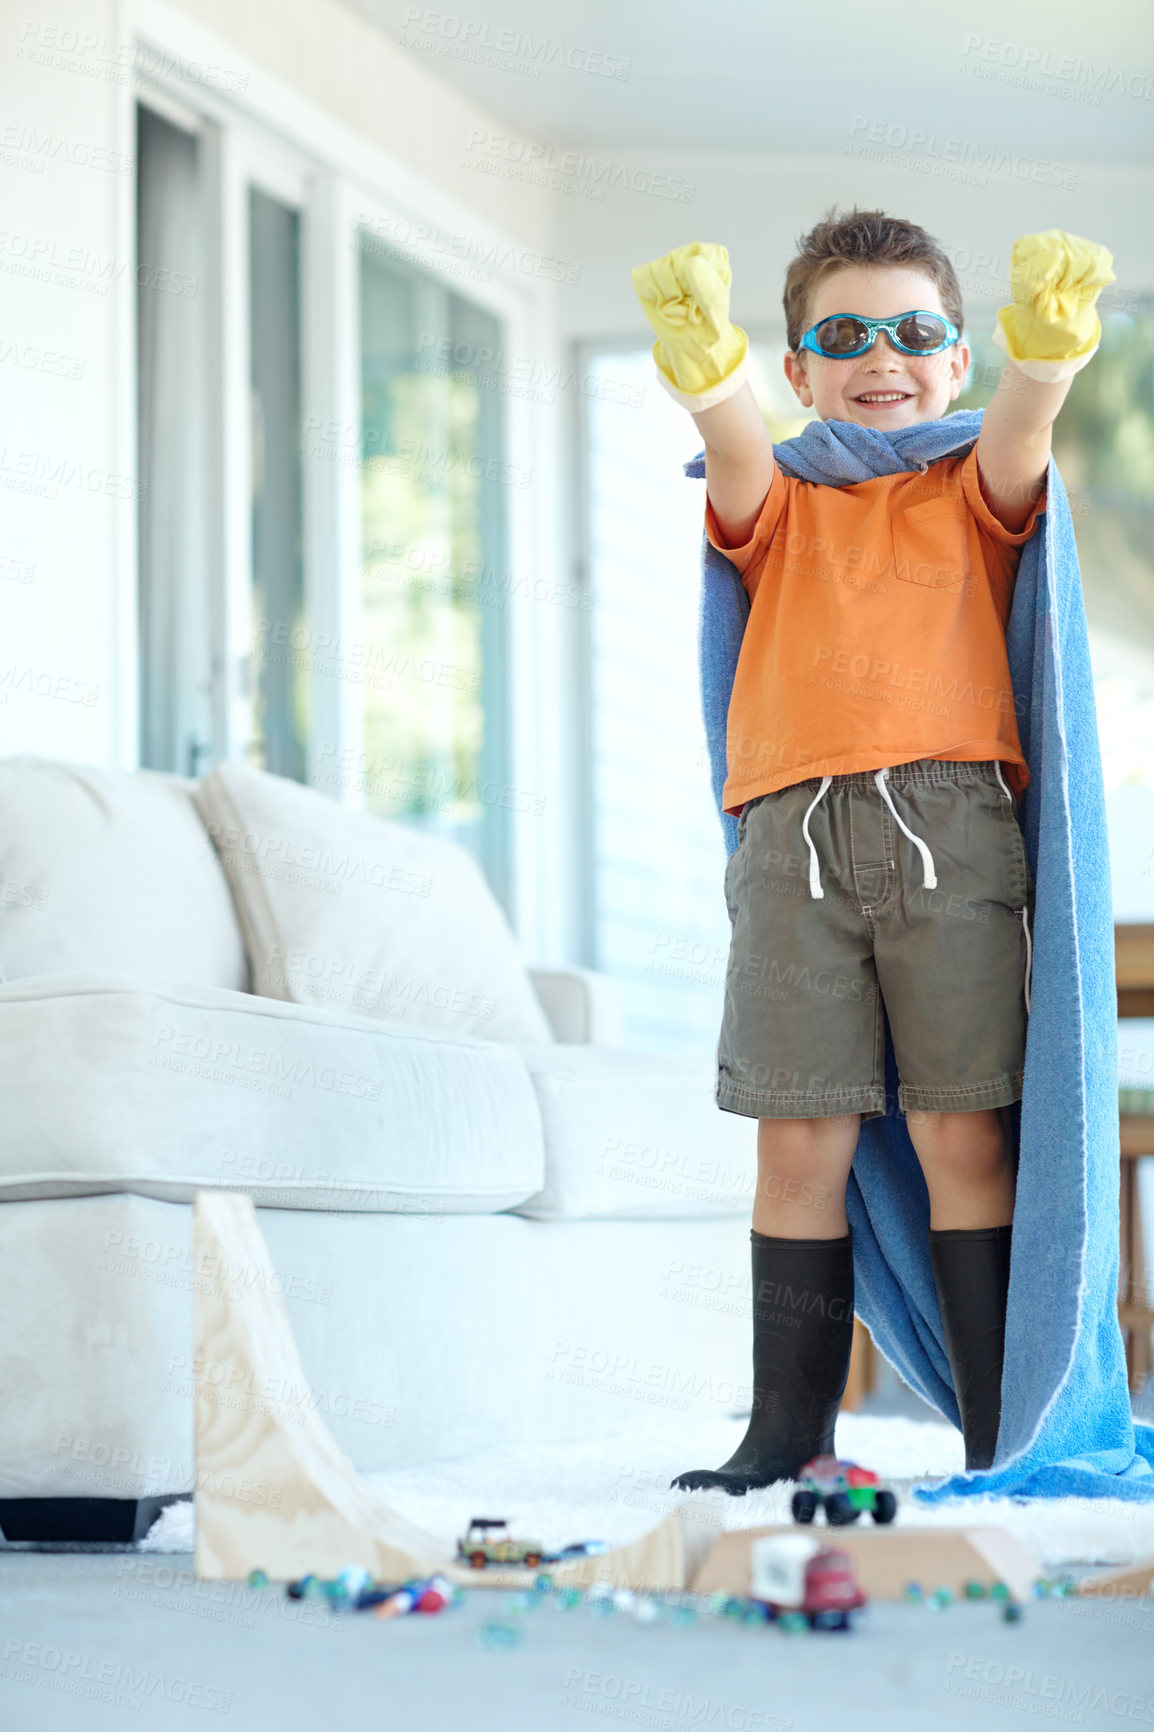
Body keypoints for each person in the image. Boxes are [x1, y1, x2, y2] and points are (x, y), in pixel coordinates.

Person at [630, 210, 1114, 1494]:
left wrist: (1045, 366)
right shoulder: (779, 498)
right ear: (797, 368)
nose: (880, 356)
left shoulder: (974, 484)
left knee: (964, 1136)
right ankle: (784, 1431)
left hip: (953, 836)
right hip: (791, 845)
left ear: (954, 358)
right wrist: (703, 374)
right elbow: (731, 450)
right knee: (797, 1147)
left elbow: (1020, 443)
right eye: (841, 336)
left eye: (914, 332)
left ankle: (994, 1432)